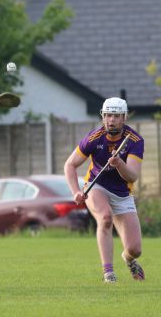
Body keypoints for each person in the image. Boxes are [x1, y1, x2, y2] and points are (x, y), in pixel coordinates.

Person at [64, 97, 145, 283]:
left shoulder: (135, 140)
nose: (111, 120)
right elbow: (70, 165)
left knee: (135, 249)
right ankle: (108, 273)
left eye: (116, 116)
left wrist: (119, 164)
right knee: (105, 217)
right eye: (108, 115)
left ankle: (128, 259)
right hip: (96, 187)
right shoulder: (94, 138)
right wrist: (76, 191)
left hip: (123, 194)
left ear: (124, 117)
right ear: (103, 116)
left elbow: (132, 176)